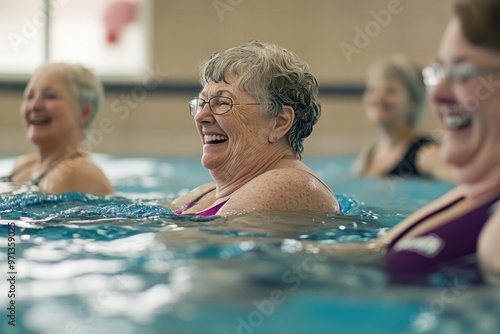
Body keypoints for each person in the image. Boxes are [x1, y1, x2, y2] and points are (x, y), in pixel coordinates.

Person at [315, 0, 500, 282]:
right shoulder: (476, 192)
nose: (438, 93)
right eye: (439, 72)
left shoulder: (425, 154)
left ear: (412, 102)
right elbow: (373, 249)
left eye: (463, 72)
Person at [172, 41, 340, 216]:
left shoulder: (285, 185)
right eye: (202, 102)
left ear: (279, 122)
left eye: (222, 102)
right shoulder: (207, 193)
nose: (200, 117)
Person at [0, 63, 114, 196]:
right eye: (30, 96)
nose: (35, 105)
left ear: (84, 112)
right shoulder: (24, 165)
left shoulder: (77, 172)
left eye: (50, 96)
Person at [353, 54, 456, 182]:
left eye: (390, 91)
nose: (378, 98)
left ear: (414, 102)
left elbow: (465, 182)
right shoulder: (368, 156)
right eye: (372, 89)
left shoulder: (426, 154)